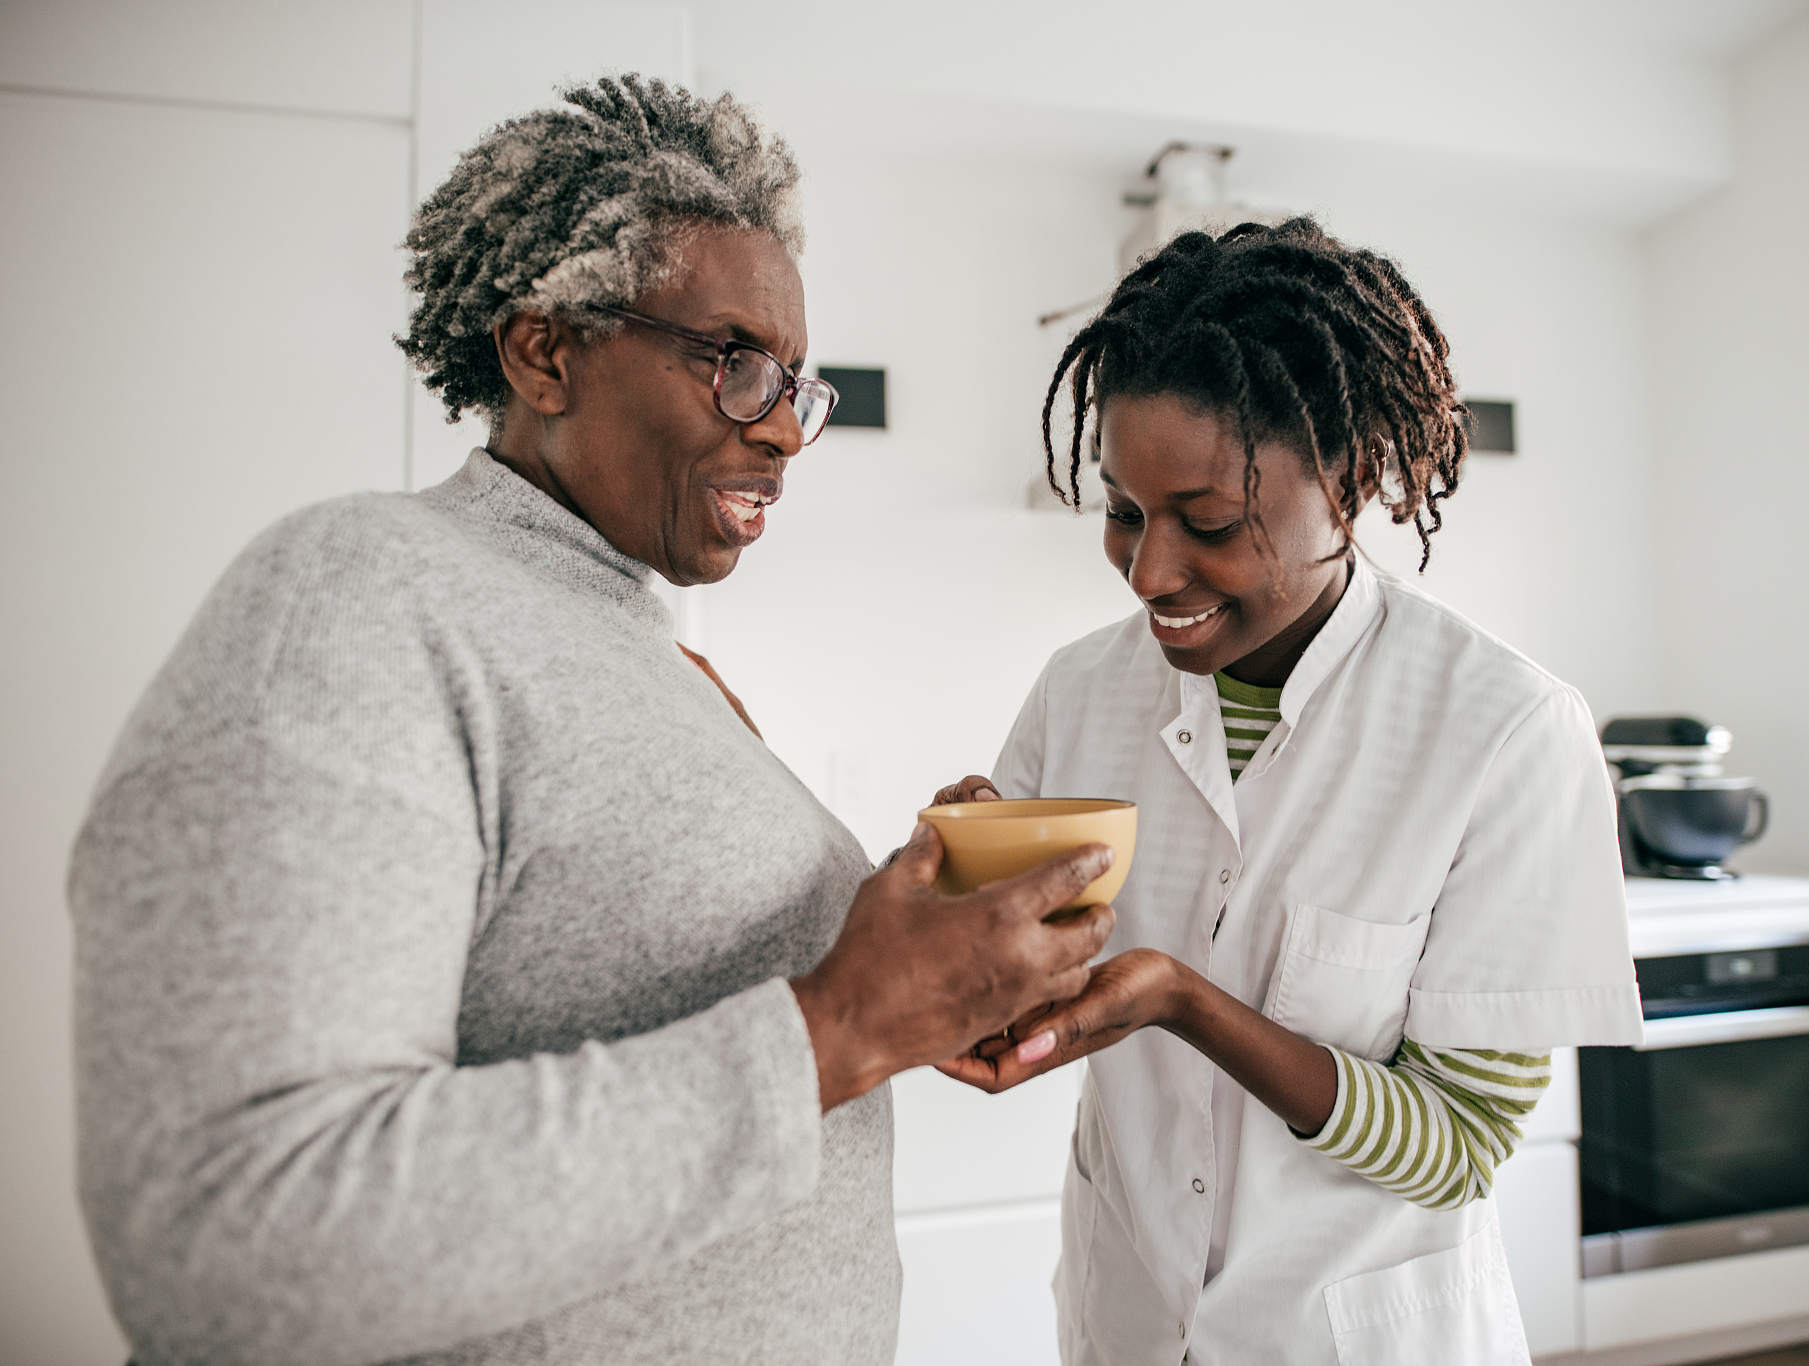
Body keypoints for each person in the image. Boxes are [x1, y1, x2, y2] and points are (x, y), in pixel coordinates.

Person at [68, 76, 1113, 1366]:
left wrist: (923, 958)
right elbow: (226, 1237)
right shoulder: (357, 594)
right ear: (544, 352)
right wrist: (845, 1024)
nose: (785, 429)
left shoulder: (636, 643)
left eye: (796, 381)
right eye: (735, 362)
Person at [931, 219, 1643, 1365]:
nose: (1150, 572)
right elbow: (1010, 984)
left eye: (1208, 523)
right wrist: (967, 925)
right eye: (1122, 510)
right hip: (1124, 1317)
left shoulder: (1503, 730)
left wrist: (1181, 999)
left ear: (1350, 481)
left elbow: (1455, 1142)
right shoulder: (1079, 691)